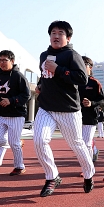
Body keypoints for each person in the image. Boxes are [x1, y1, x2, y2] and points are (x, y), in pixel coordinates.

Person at [33, 20, 95, 196]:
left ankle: (89, 174)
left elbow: (82, 78)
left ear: (68, 37)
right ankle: (52, 176)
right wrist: (40, 85)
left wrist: (59, 69)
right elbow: (45, 76)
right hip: (46, 107)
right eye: (53, 32)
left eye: (60, 33)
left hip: (68, 109)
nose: (56, 36)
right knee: (39, 140)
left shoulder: (72, 55)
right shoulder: (43, 55)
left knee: (76, 144)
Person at [0, 50, 31, 176]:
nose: (1, 63)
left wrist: (11, 101)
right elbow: (0, 91)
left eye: (4, 60)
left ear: (12, 61)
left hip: (17, 115)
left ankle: (19, 166)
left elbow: (26, 95)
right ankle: (17, 143)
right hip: (1, 114)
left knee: (13, 142)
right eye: (0, 60)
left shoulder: (19, 76)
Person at [78, 56, 104, 163]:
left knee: (86, 142)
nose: (81, 66)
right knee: (80, 141)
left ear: (90, 67)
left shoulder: (95, 83)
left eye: (84, 64)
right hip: (76, 116)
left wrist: (91, 103)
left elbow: (102, 99)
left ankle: (87, 167)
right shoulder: (74, 82)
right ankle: (94, 151)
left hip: (91, 116)